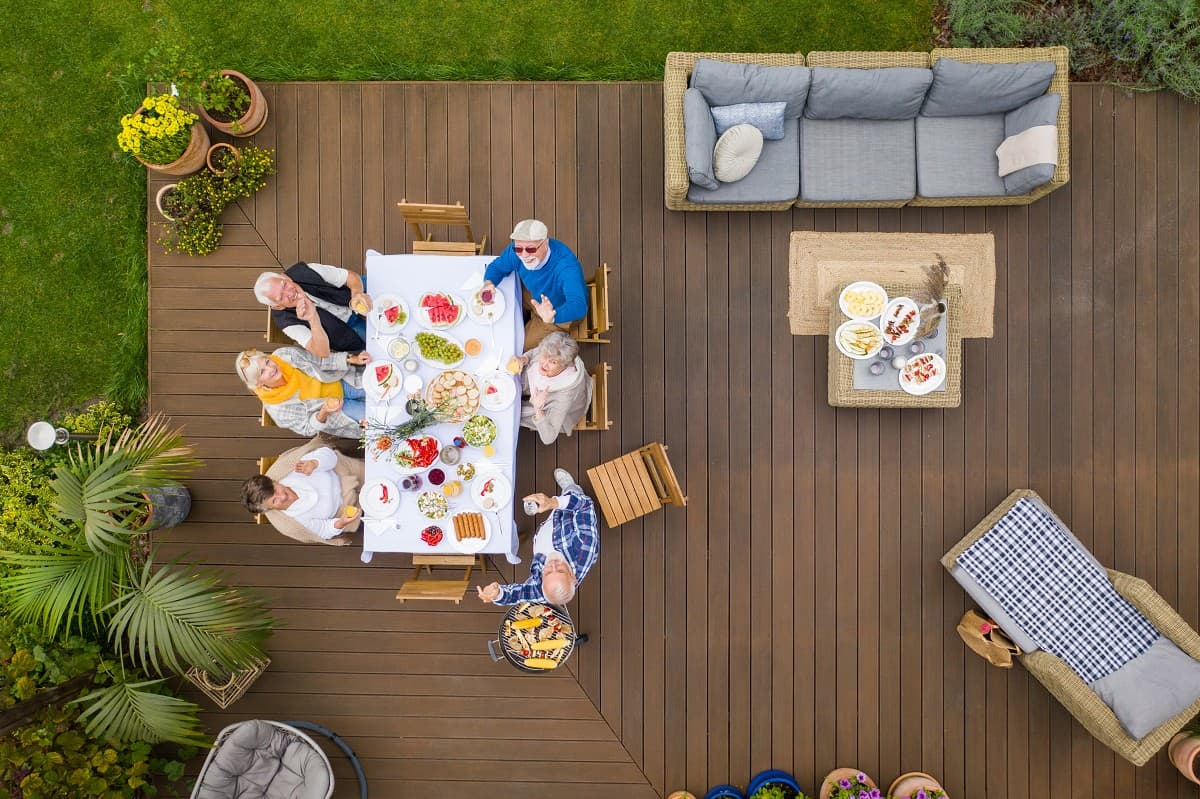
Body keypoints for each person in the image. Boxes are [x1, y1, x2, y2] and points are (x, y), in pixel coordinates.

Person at [476, 469, 599, 606]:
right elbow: (585, 506)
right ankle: (571, 487)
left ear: (542, 583)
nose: (552, 564)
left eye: (547, 573)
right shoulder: (585, 545)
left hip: (549, 532)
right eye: (560, 570)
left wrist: (498, 594)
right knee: (573, 494)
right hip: (568, 516)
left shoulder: (543, 592)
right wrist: (553, 503)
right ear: (573, 578)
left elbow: (520, 595)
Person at [482, 219, 589, 349]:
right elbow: (497, 267)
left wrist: (553, 316)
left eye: (531, 249)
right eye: (518, 248)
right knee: (497, 304)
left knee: (518, 347)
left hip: (557, 314)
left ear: (545, 244)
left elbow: (579, 306)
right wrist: (488, 283)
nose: (524, 255)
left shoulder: (566, 267)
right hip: (534, 294)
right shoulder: (517, 252)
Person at [240, 438, 363, 546]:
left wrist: (315, 463)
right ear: (270, 509)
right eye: (274, 500)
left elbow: (329, 455)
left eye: (276, 490)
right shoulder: (292, 523)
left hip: (348, 473)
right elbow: (323, 530)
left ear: (274, 482)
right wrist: (341, 523)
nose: (282, 496)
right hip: (348, 510)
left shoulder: (291, 468)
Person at [236, 347, 367, 439]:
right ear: (258, 384)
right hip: (337, 413)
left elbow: (320, 361)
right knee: (378, 417)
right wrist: (324, 412)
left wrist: (352, 359)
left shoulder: (284, 355)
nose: (271, 368)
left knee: (383, 386)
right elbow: (307, 428)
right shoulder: (277, 409)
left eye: (267, 361)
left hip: (342, 381)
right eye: (262, 372)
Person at [254, 261, 373, 357]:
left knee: (384, 288)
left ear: (285, 278)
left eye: (284, 285)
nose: (289, 293)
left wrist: (357, 294)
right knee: (379, 345)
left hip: (350, 294)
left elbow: (350, 277)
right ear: (278, 306)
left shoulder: (307, 270)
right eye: (281, 297)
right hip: (346, 330)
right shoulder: (285, 322)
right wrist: (313, 319)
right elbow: (322, 353)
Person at [514, 332, 593, 445]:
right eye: (544, 356)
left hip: (561, 409)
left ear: (566, 365)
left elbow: (549, 438)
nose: (544, 364)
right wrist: (524, 359)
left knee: (514, 412)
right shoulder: (552, 350)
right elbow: (534, 353)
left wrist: (538, 408)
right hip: (543, 384)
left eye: (553, 362)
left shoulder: (564, 398)